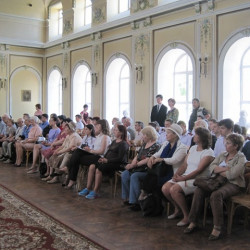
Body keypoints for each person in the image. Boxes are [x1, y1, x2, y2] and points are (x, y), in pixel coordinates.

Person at [184, 134, 246, 241]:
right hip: (217, 181)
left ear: (236, 146)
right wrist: (225, 169)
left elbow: (233, 175)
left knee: (216, 194)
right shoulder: (223, 154)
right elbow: (212, 167)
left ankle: (217, 227)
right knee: (199, 190)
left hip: (233, 184)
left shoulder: (241, 158)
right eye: (225, 142)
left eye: (228, 143)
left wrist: (219, 169)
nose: (225, 145)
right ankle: (193, 221)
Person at [162, 127, 214, 226]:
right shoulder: (193, 148)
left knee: (174, 189)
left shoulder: (209, 152)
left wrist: (183, 178)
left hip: (199, 179)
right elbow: (185, 164)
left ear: (202, 137)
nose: (193, 136)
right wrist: (177, 174)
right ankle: (177, 209)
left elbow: (199, 170)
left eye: (196, 135)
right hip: (186, 175)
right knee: (165, 188)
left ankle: (187, 216)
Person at [79, 125, 129, 199]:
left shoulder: (123, 144)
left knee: (99, 169)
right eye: (114, 130)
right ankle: (88, 188)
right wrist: (103, 158)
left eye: (116, 130)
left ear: (121, 133)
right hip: (108, 161)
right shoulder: (114, 141)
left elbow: (120, 158)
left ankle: (96, 191)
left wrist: (107, 160)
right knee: (92, 166)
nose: (114, 131)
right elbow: (108, 152)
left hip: (117, 164)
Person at [64, 119, 111, 189]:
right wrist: (88, 150)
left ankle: (70, 174)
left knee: (76, 157)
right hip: (93, 155)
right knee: (77, 152)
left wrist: (90, 150)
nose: (96, 126)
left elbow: (102, 151)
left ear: (102, 126)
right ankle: (71, 178)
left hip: (99, 158)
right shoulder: (98, 136)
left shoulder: (105, 137)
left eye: (98, 125)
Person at [121, 126, 160, 211]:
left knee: (134, 176)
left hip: (147, 169)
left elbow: (148, 159)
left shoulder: (156, 145)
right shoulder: (144, 144)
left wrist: (135, 165)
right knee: (125, 174)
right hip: (138, 167)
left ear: (149, 135)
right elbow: (137, 155)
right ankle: (127, 198)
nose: (142, 137)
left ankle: (137, 201)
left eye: (144, 135)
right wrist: (132, 163)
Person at [146, 124, 187, 190]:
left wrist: (161, 159)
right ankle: (144, 196)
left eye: (168, 133)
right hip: (162, 169)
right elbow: (159, 153)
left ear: (175, 134)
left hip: (173, 172)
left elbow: (174, 160)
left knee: (152, 180)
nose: (166, 134)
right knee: (149, 177)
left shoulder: (182, 147)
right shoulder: (165, 144)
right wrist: (152, 157)